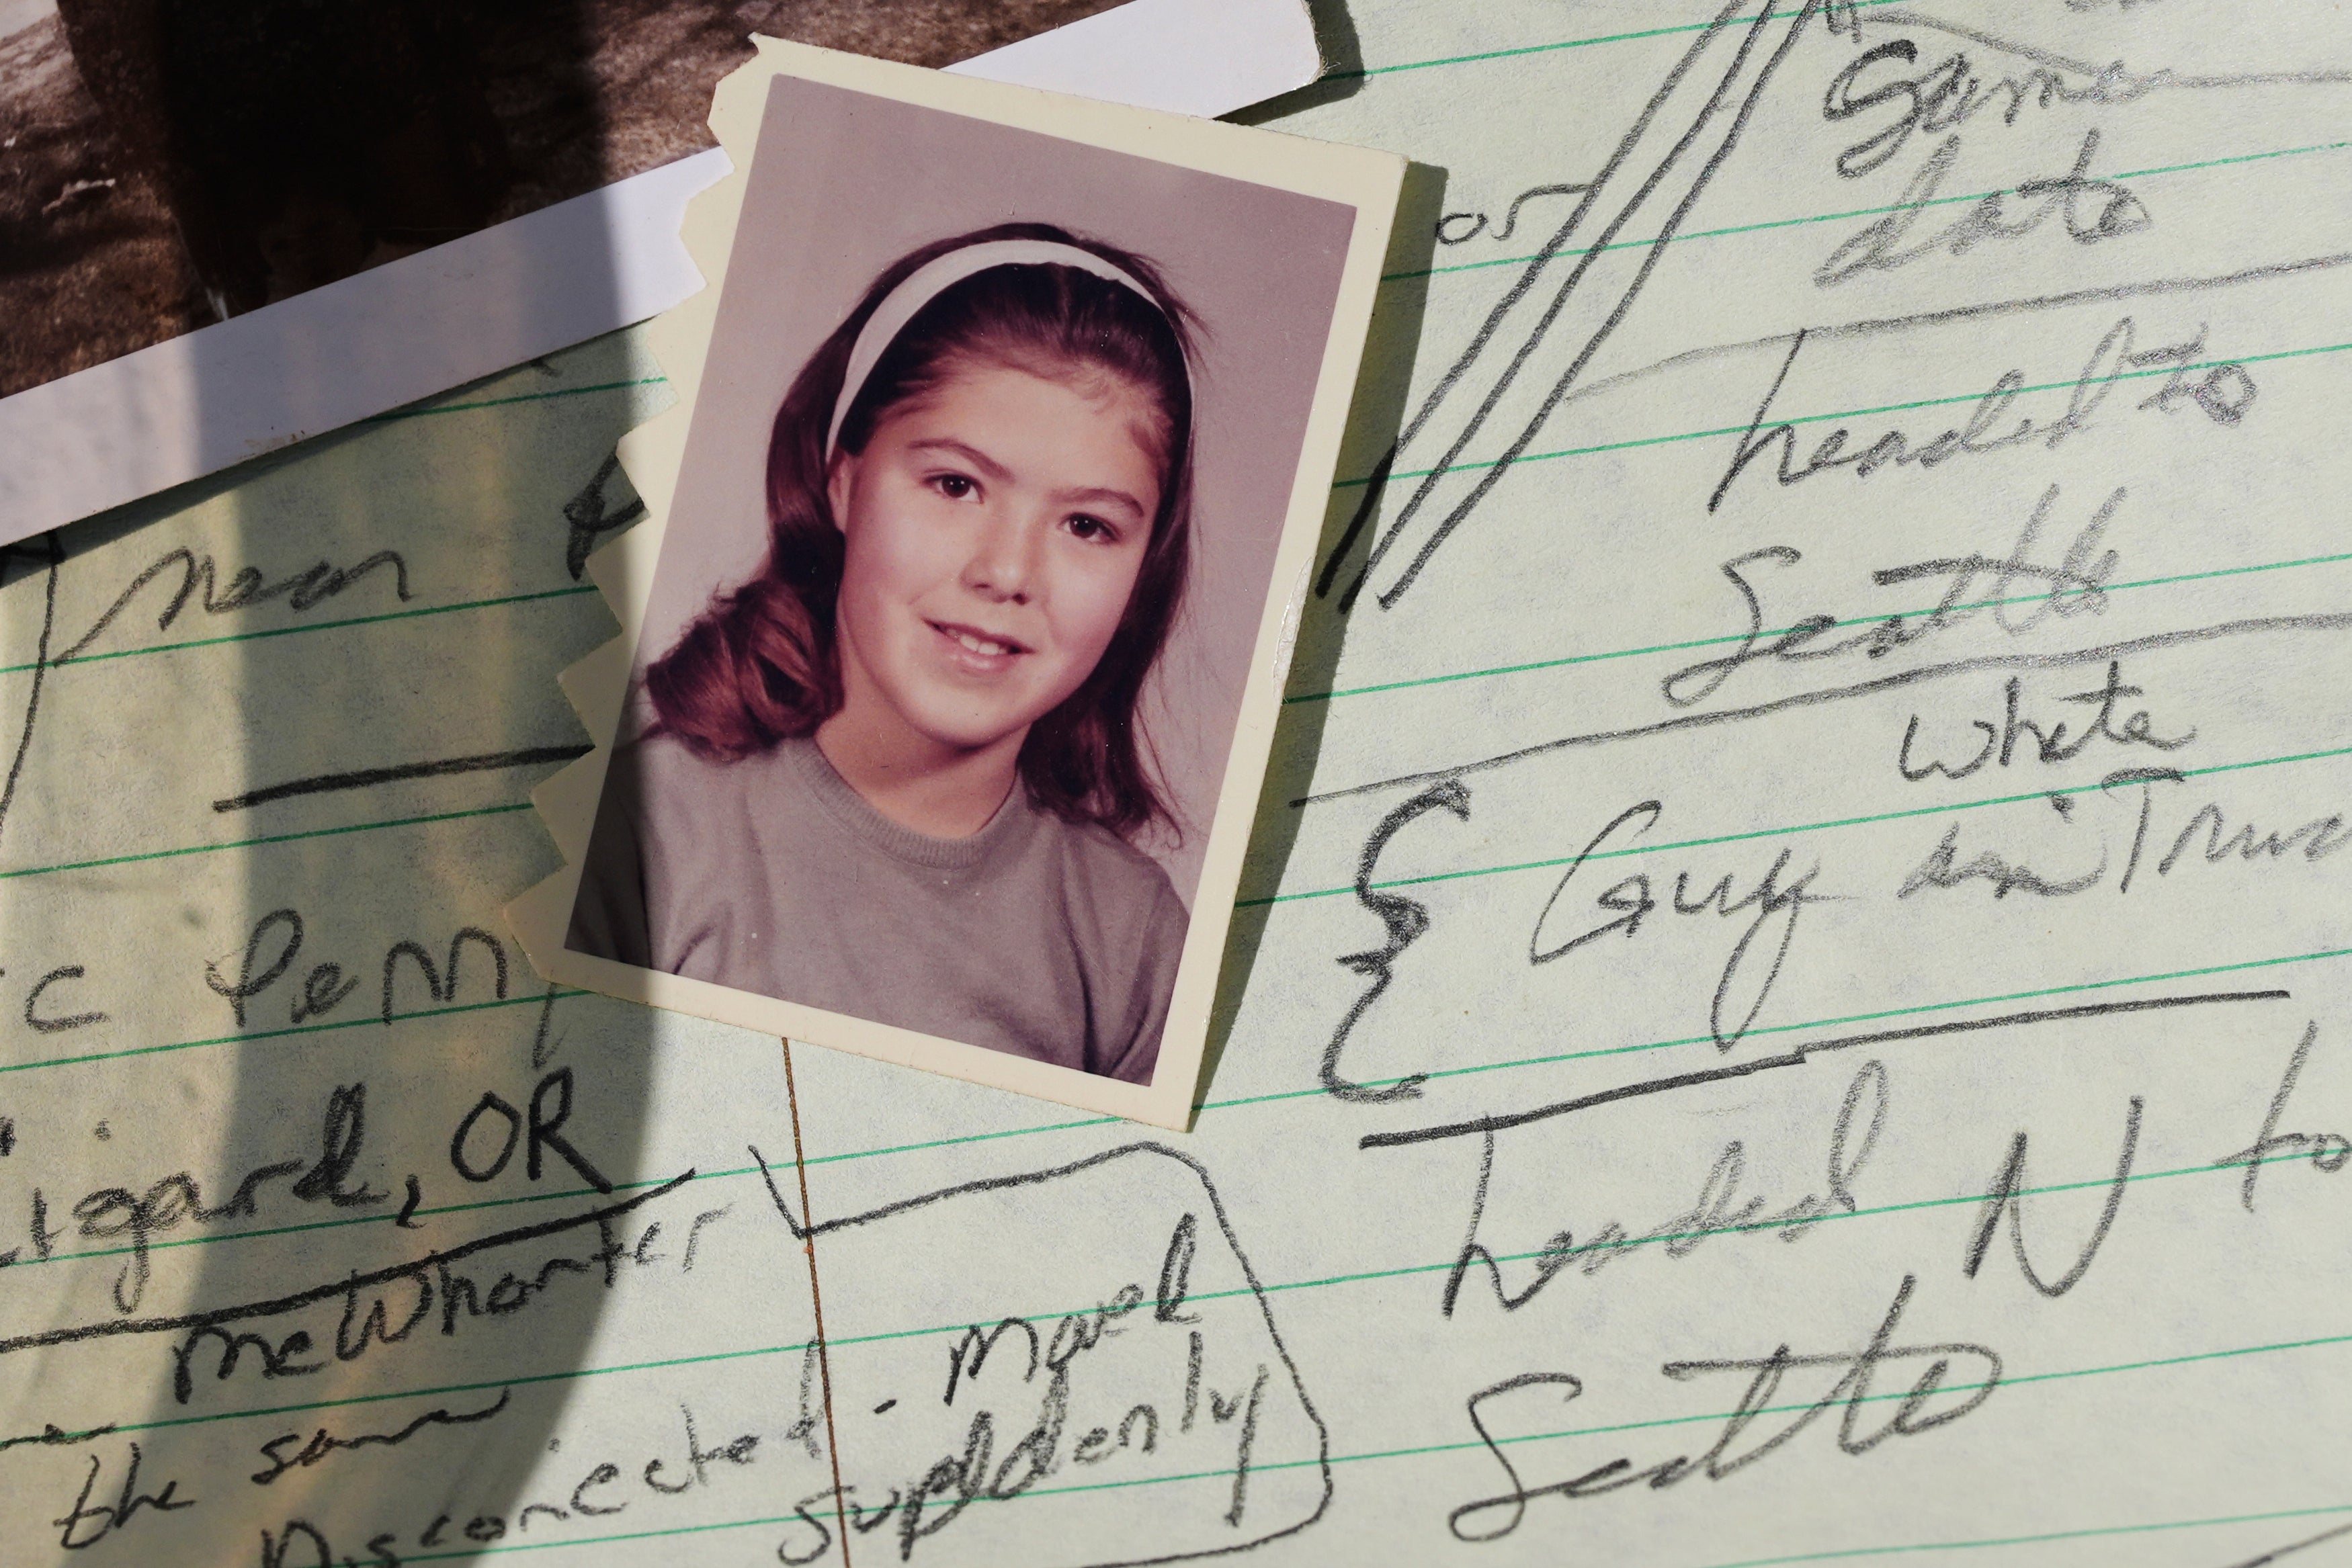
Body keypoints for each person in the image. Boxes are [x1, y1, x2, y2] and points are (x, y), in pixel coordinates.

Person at [569, 222, 1201, 1085]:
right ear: (841, 482)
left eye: (1086, 526)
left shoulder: (1135, 943)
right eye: (954, 485)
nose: (1008, 573)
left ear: (1141, 570)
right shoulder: (643, 836)